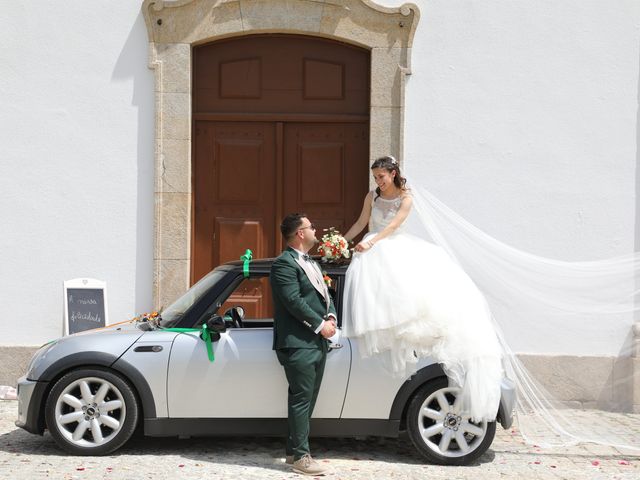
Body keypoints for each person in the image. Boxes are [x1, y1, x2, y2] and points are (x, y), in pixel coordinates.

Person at [341, 155, 503, 421]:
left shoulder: (406, 197)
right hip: (372, 245)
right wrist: (341, 241)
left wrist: (372, 243)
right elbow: (361, 222)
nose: (378, 181)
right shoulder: (372, 196)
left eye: (381, 176)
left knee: (405, 295)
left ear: (393, 174)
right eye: (375, 177)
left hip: (391, 246)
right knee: (368, 287)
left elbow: (393, 225)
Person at [270, 213, 338, 476]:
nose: (315, 229)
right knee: (301, 399)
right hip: (298, 343)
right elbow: (293, 301)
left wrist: (331, 315)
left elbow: (325, 293)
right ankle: (301, 457)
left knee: (308, 399)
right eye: (311, 226)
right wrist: (322, 326)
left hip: (316, 342)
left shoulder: (311, 263)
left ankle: (292, 451)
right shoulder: (283, 265)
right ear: (300, 233)